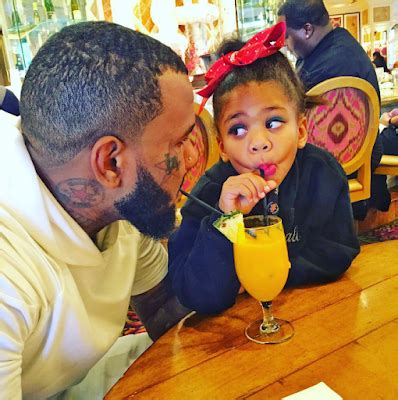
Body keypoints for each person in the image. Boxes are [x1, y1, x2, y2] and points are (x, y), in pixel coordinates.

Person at [0, 21, 203, 399]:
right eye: (179, 142)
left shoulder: (119, 206)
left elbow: (162, 312)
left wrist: (217, 256)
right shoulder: (8, 272)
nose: (192, 157)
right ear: (110, 163)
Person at [167, 22, 359, 315]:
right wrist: (227, 219)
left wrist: (273, 272)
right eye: (238, 130)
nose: (258, 143)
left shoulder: (323, 173)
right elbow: (196, 294)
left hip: (312, 313)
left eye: (273, 123)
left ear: (302, 130)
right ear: (221, 146)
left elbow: (339, 251)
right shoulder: (209, 192)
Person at [277, 0, 390, 218]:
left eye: (287, 37)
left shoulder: (323, 66)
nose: (285, 45)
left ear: (307, 29)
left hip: (329, 167)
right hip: (359, 159)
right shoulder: (343, 45)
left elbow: (289, 109)